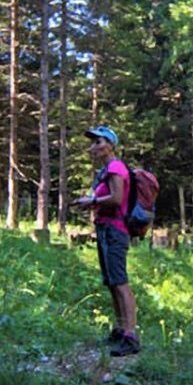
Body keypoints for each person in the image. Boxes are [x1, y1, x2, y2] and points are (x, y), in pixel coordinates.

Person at [73, 125, 140, 357]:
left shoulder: (114, 167)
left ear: (110, 145)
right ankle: (121, 329)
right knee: (112, 282)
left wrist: (90, 202)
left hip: (115, 230)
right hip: (105, 230)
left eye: (98, 142)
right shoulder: (106, 170)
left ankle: (131, 336)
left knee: (120, 282)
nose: (93, 147)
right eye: (92, 143)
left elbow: (117, 198)